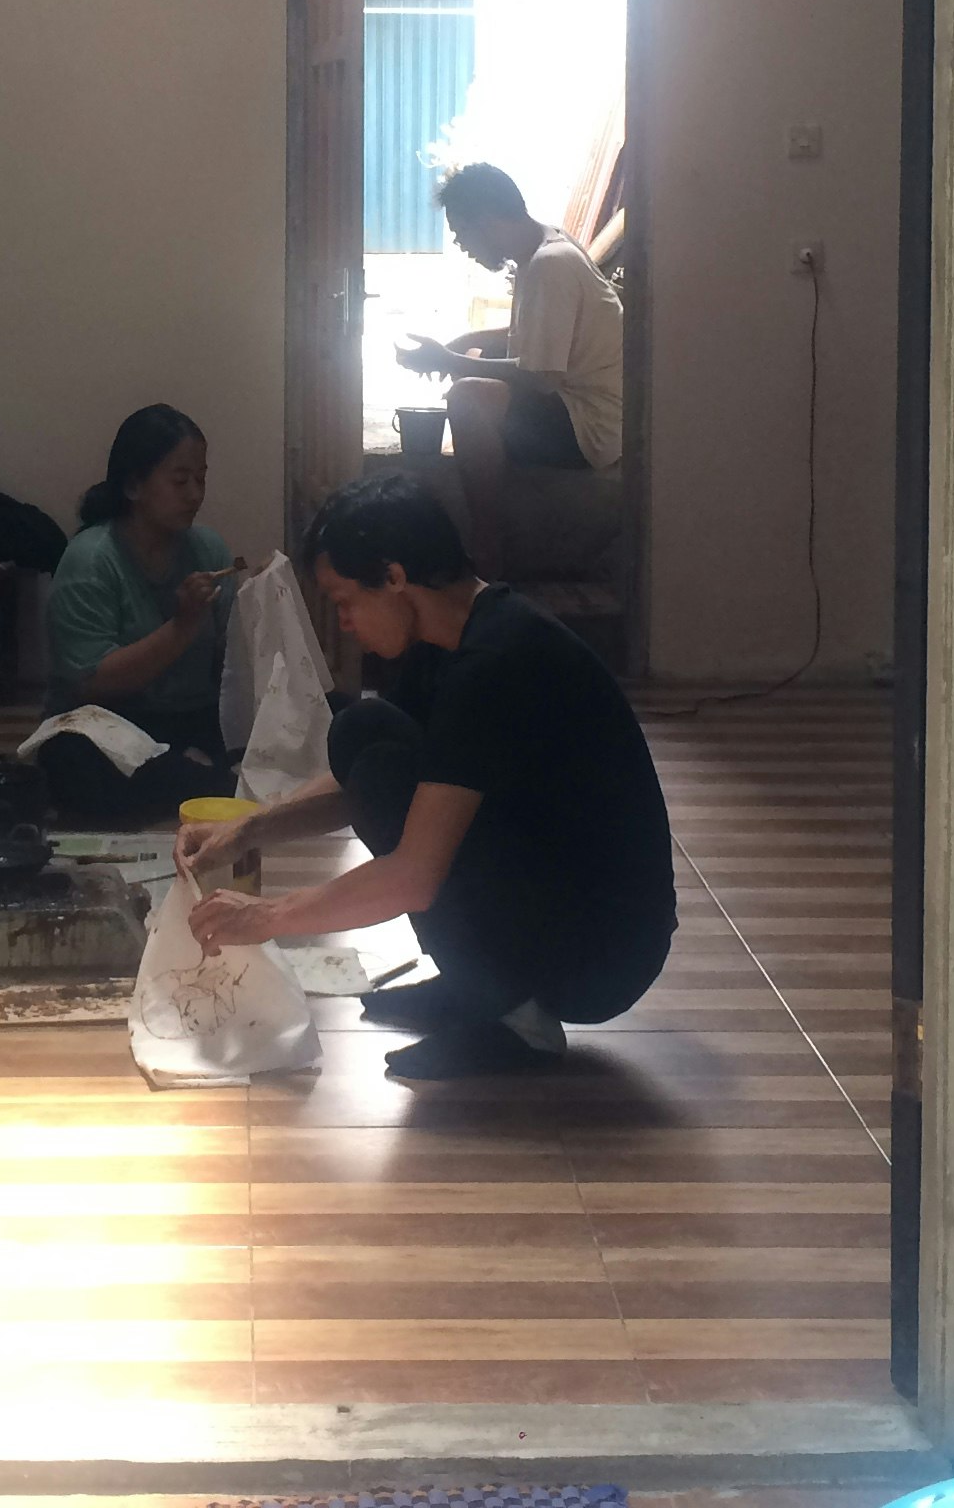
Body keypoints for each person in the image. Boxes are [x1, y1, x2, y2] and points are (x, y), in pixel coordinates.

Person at [177, 473, 674, 1081]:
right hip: (561, 898)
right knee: (362, 736)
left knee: (385, 770)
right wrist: (250, 830)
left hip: (601, 952)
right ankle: (479, 987)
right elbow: (359, 785)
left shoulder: (496, 663)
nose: (347, 622)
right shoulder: (454, 638)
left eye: (345, 601)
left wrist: (269, 917)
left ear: (393, 576)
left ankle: (519, 1024)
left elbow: (412, 878)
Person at [394, 161, 623, 576]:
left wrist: (447, 360)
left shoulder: (549, 264)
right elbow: (536, 332)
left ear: (487, 220)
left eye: (462, 232)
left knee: (467, 396)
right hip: (575, 405)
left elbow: (541, 377)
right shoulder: (546, 248)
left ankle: (487, 545)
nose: (462, 244)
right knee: (475, 367)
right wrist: (467, 342)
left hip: (591, 424)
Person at [39, 404, 244, 823]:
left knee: (318, 716)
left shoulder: (209, 550)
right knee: (73, 759)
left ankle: (191, 776)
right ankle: (210, 780)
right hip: (113, 721)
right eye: (180, 480)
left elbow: (229, 667)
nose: (195, 494)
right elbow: (92, 682)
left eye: (201, 479)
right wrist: (183, 625)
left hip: (193, 715)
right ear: (134, 485)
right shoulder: (91, 560)